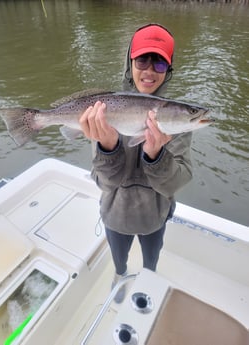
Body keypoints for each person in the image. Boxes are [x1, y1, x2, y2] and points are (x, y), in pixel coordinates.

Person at [79, 24, 193, 302]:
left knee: (150, 260)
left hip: (155, 217)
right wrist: (108, 148)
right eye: (142, 59)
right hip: (115, 216)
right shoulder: (104, 110)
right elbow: (104, 182)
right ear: (129, 62)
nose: (150, 70)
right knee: (119, 260)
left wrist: (157, 157)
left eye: (160, 62)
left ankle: (147, 281)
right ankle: (119, 276)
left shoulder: (179, 120)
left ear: (169, 69)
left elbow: (180, 178)